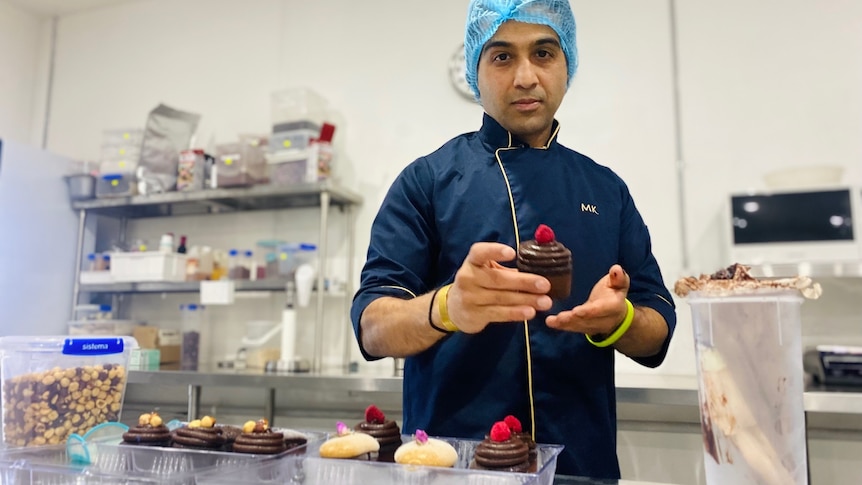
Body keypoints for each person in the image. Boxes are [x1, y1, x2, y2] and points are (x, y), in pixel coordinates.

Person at [350, 0, 676, 478]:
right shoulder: (426, 182)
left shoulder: (606, 189)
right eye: (502, 57)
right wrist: (447, 307)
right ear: (474, 70)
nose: (525, 77)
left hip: (581, 465)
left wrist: (621, 320)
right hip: (452, 466)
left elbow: (658, 326)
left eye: (544, 53)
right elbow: (372, 327)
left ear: (568, 65)